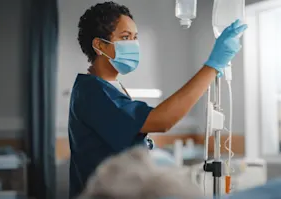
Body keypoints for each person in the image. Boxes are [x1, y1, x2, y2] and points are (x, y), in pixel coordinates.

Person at [68, 1, 247, 198]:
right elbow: (161, 120)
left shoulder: (110, 88)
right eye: (125, 37)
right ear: (99, 45)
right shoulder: (93, 92)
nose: (133, 44)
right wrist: (212, 66)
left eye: (135, 37)